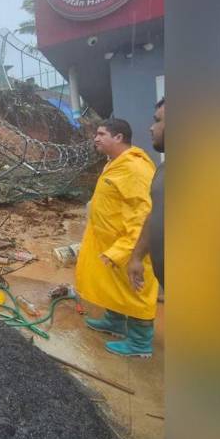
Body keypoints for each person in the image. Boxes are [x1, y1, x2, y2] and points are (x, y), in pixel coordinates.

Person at [75, 118, 160, 357]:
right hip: (108, 240)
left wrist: (126, 250)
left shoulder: (135, 168)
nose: (96, 138)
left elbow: (144, 213)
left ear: (119, 137)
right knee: (113, 285)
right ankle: (115, 322)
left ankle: (139, 344)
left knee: (136, 291)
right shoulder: (114, 163)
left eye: (102, 134)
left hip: (130, 245)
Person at [128, 98, 165, 291]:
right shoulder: (163, 170)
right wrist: (137, 256)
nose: (151, 128)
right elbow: (155, 215)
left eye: (158, 120)